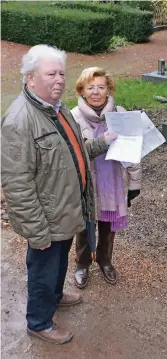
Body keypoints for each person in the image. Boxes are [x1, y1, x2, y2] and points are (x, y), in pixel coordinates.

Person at [1, 46, 116, 344]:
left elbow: (74, 151)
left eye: (62, 73)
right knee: (43, 266)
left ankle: (53, 294)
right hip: (46, 218)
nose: (59, 80)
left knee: (59, 261)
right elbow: (17, 184)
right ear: (30, 78)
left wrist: (102, 142)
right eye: (51, 74)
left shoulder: (57, 108)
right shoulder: (19, 121)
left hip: (65, 209)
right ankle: (38, 321)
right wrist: (37, 231)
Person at [71, 67, 142, 289]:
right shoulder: (73, 116)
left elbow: (133, 150)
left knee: (108, 226)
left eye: (101, 87)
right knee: (84, 227)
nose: (96, 92)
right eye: (90, 87)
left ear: (108, 89)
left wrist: (134, 182)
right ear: (81, 91)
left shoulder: (120, 113)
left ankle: (105, 260)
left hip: (112, 180)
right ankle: (82, 264)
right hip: (87, 183)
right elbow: (75, 153)